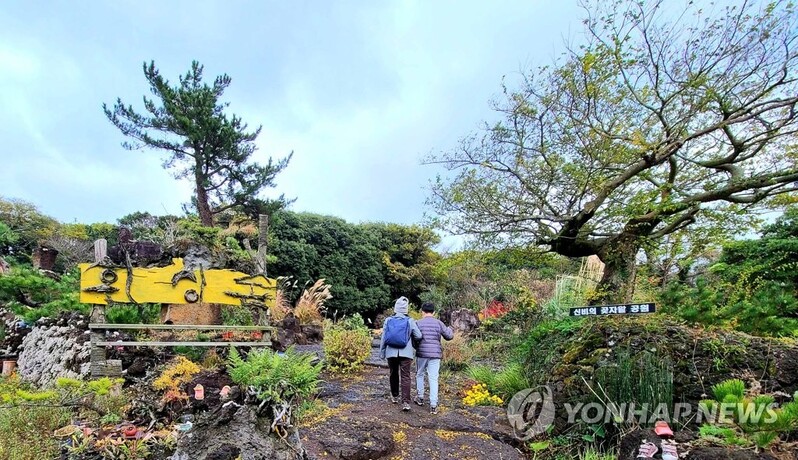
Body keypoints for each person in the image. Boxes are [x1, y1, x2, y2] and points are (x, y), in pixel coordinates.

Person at [379, 296, 422, 411]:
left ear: (395, 308)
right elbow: (419, 336)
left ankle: (394, 396)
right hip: (406, 353)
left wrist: (382, 352)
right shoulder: (410, 321)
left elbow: (383, 337)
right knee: (406, 376)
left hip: (391, 352)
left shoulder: (388, 320)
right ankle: (406, 402)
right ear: (406, 309)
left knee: (393, 373)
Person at [414, 301, 454, 414]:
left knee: (420, 374)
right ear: (434, 312)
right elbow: (449, 336)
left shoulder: (418, 323)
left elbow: (414, 338)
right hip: (435, 354)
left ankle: (420, 398)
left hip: (421, 353)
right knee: (433, 378)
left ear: (422, 312)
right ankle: (433, 405)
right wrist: (450, 328)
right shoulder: (439, 323)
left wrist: (416, 348)